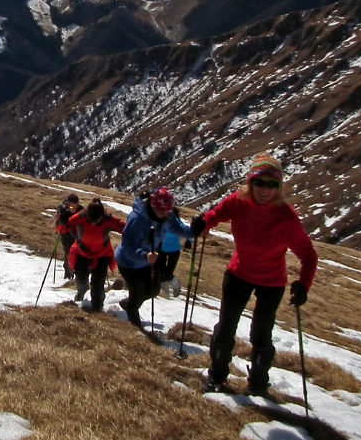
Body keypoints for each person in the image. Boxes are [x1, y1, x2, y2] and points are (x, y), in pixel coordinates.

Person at [190, 152, 317, 396]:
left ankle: (258, 384)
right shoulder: (238, 202)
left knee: (260, 334)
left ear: (279, 187)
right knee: (226, 328)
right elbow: (215, 214)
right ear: (250, 183)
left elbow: (308, 255)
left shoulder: (286, 217)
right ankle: (216, 376)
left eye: (272, 184)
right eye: (259, 182)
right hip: (239, 273)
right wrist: (202, 223)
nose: (264, 189)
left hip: (271, 282)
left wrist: (304, 285)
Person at [115, 188, 191, 331]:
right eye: (164, 213)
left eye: (169, 212)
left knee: (153, 290)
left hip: (150, 258)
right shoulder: (137, 219)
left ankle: (127, 304)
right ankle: (134, 324)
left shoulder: (166, 214)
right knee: (138, 293)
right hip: (129, 263)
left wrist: (193, 232)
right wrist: (144, 256)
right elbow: (127, 245)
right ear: (154, 207)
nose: (167, 215)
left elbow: (176, 226)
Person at [65, 198, 125, 312]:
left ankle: (97, 306)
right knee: (81, 277)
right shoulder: (80, 217)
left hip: (101, 255)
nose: (93, 222)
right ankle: (81, 292)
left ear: (102, 215)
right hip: (81, 252)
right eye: (91, 219)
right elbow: (68, 223)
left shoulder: (108, 219)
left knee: (98, 283)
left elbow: (124, 228)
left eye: (96, 220)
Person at [53, 193, 83, 280]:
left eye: (75, 207)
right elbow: (54, 225)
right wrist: (56, 219)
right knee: (69, 253)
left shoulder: (81, 210)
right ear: (67, 204)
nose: (73, 209)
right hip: (66, 234)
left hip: (78, 234)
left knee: (79, 253)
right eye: (71, 207)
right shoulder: (62, 211)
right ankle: (68, 273)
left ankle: (78, 273)